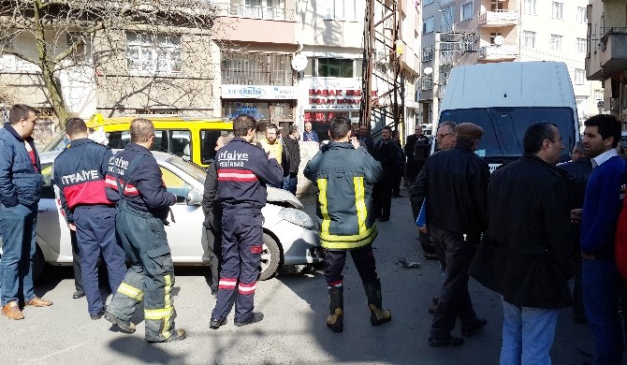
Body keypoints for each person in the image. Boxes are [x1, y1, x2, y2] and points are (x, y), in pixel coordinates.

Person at [470, 122, 573, 363]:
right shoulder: (552, 180)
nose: (563, 146)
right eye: (558, 140)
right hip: (539, 274)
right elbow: (559, 234)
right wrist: (566, 269)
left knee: (512, 335)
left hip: (506, 272)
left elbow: (492, 218)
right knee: (536, 347)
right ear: (545, 145)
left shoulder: (502, 173)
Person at [304, 115, 391, 333]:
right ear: (350, 134)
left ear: (330, 135)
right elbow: (379, 173)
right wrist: (360, 149)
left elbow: (308, 171)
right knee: (368, 273)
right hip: (359, 232)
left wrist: (324, 149)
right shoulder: (359, 157)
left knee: (333, 275)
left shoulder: (322, 159)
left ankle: (336, 316)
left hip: (332, 234)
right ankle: (377, 312)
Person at [103, 118, 186, 343]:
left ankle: (118, 311)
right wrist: (174, 197)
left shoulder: (117, 158)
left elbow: (110, 191)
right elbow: (155, 198)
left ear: (131, 135)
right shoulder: (146, 162)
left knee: (140, 267)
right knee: (160, 275)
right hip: (144, 224)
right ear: (152, 136)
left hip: (122, 219)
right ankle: (159, 332)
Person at [410, 122, 488, 347]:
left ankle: (469, 320)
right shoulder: (476, 164)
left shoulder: (435, 160)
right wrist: (485, 231)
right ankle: (439, 331)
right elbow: (482, 205)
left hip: (437, 230)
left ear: (456, 138)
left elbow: (416, 192)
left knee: (456, 277)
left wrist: (422, 221)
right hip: (461, 234)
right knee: (454, 280)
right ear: (475, 142)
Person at [209, 115, 283, 329]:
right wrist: (272, 160)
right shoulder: (255, 153)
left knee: (229, 267)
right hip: (248, 218)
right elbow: (277, 178)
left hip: (227, 217)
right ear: (250, 131)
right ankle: (243, 315)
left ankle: (218, 316)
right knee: (249, 266)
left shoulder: (221, 154)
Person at [53, 117, 126, 320]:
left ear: (67, 136)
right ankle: (119, 308)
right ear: (87, 131)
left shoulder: (60, 160)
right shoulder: (102, 151)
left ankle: (94, 309)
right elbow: (114, 184)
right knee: (114, 260)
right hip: (104, 211)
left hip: (80, 215)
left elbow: (63, 194)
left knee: (88, 262)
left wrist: (70, 218)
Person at [579, 114, 625, 364]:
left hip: (600, 258)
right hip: (603, 256)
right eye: (585, 134)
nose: (584, 140)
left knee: (601, 318)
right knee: (604, 318)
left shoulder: (612, 170)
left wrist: (587, 247)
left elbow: (608, 217)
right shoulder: (606, 168)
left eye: (590, 136)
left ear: (608, 140)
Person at [0, 104, 52, 320]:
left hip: (30, 203)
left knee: (29, 252)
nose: (36, 124)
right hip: (14, 206)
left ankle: (27, 295)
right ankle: (9, 301)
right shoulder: (5, 140)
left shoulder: (27, 141)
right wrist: (12, 201)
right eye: (33, 121)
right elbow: (2, 176)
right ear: (22, 121)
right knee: (12, 255)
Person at [411, 122, 457, 262]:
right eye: (437, 136)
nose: (438, 139)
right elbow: (417, 192)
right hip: (441, 225)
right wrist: (421, 220)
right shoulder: (433, 161)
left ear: (454, 136)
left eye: (442, 136)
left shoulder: (469, 161)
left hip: (456, 226)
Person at [557, 141, 592, 324]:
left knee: (561, 262)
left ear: (577, 152)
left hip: (564, 224)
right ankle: (580, 309)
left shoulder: (562, 170)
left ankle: (557, 297)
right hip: (587, 225)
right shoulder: (597, 171)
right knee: (581, 268)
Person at [201, 135, 232, 295]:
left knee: (216, 253)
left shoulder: (216, 164)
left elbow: (208, 193)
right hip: (234, 216)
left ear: (225, 147)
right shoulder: (239, 163)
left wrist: (208, 213)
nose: (214, 148)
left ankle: (218, 287)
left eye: (217, 145)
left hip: (218, 215)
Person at [372, 126, 401, 222]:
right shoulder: (379, 143)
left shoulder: (392, 146)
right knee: (376, 195)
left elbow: (391, 159)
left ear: (390, 134)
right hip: (378, 174)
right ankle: (377, 213)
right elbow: (374, 155)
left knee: (385, 196)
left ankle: (385, 215)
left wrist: (379, 162)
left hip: (387, 175)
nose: (384, 134)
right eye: (383, 133)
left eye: (386, 133)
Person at [282, 125, 301, 195]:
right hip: (286, 169)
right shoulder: (284, 140)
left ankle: (292, 204)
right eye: (298, 132)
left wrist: (297, 163)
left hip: (294, 169)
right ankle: (285, 204)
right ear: (293, 132)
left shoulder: (296, 141)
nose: (299, 134)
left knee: (293, 187)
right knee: (285, 187)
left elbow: (297, 154)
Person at [391, 130, 405, 197]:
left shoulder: (397, 142)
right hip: (396, 163)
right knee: (394, 179)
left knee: (397, 179)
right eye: (398, 134)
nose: (399, 135)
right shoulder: (393, 143)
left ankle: (396, 192)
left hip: (398, 163)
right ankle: (394, 192)